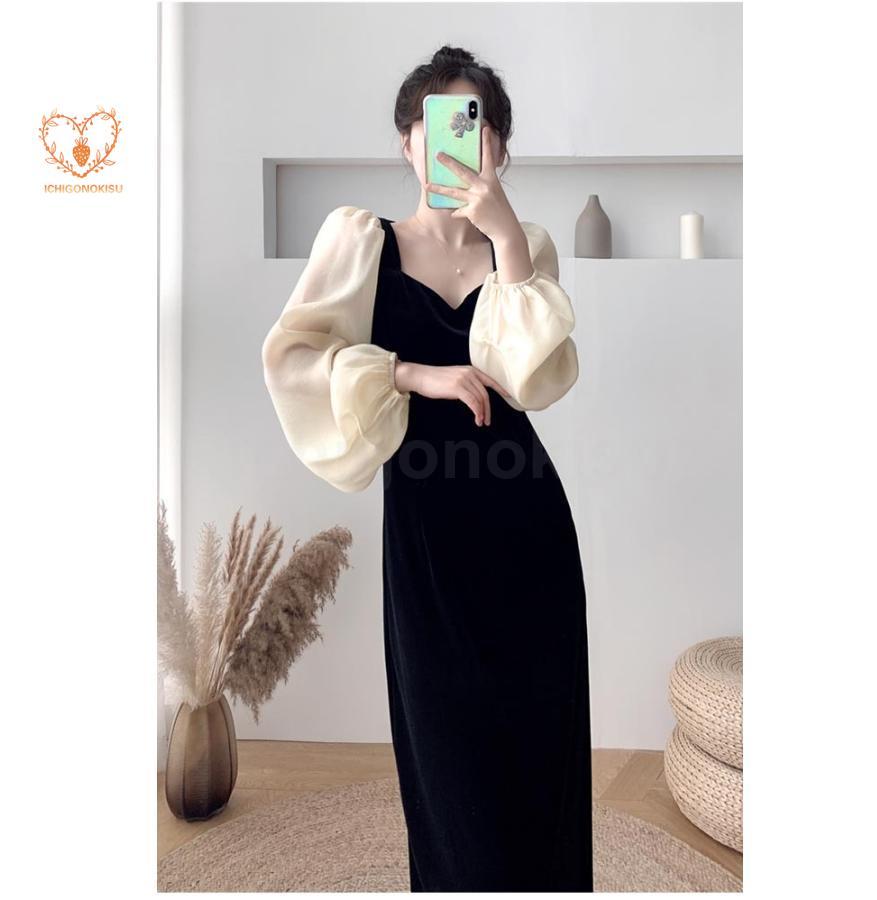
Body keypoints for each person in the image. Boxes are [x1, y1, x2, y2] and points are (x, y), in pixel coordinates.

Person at [262, 45, 592, 892]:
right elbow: (293, 359)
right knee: (448, 767)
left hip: (529, 529)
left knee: (539, 758)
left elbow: (529, 380)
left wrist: (505, 233)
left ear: (500, 146)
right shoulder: (359, 243)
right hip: (429, 538)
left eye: (475, 126)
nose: (454, 143)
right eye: (435, 123)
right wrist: (413, 373)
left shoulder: (527, 248)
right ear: (407, 141)